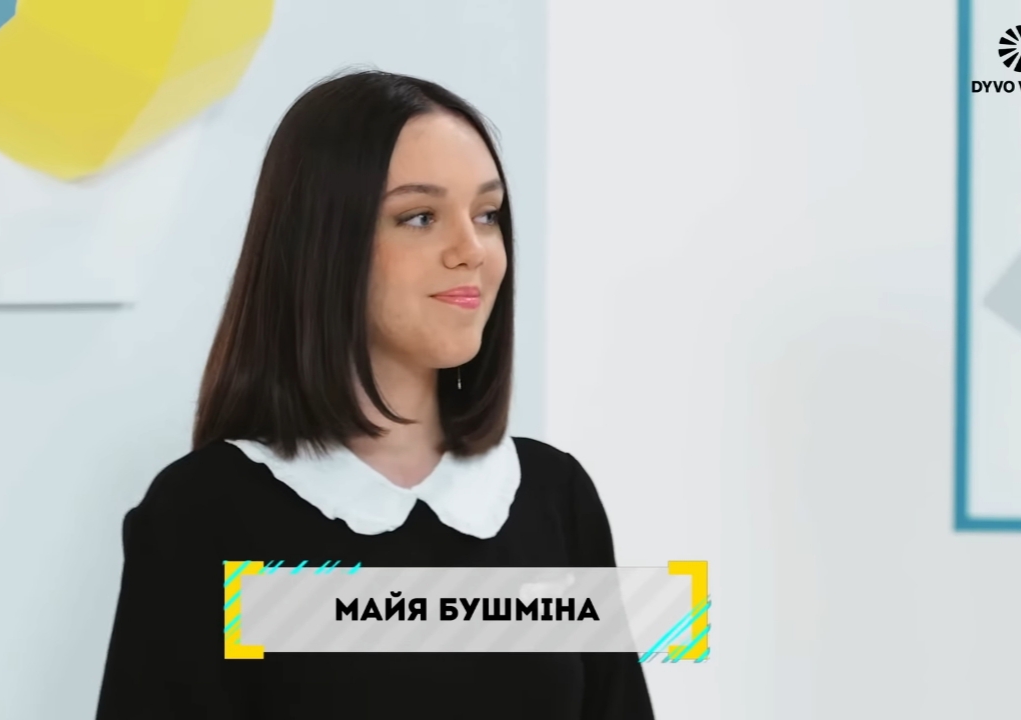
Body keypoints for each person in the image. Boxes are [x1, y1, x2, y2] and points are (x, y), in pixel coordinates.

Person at [94, 69, 655, 719]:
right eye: (419, 217)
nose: (471, 250)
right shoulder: (201, 514)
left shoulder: (555, 496)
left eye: (486, 214)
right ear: (322, 244)